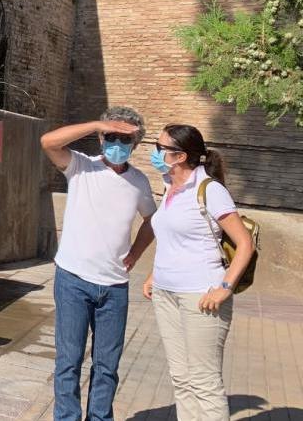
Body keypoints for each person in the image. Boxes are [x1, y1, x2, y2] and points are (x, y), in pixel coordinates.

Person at [40, 106, 156, 421]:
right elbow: (49, 142)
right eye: (111, 136)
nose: (117, 143)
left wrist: (136, 252)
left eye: (125, 138)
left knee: (107, 366)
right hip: (73, 281)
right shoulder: (81, 166)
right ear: (102, 138)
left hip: (115, 287)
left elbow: (151, 220)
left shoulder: (139, 182)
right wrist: (95, 123)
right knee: (69, 361)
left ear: (136, 144)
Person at [141, 124, 254, 421]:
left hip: (201, 296)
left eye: (159, 147)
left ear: (179, 156)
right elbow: (171, 238)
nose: (155, 152)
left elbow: (245, 244)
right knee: (181, 378)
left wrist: (225, 286)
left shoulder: (210, 190)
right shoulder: (169, 186)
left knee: (204, 382)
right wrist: (155, 274)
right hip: (165, 293)